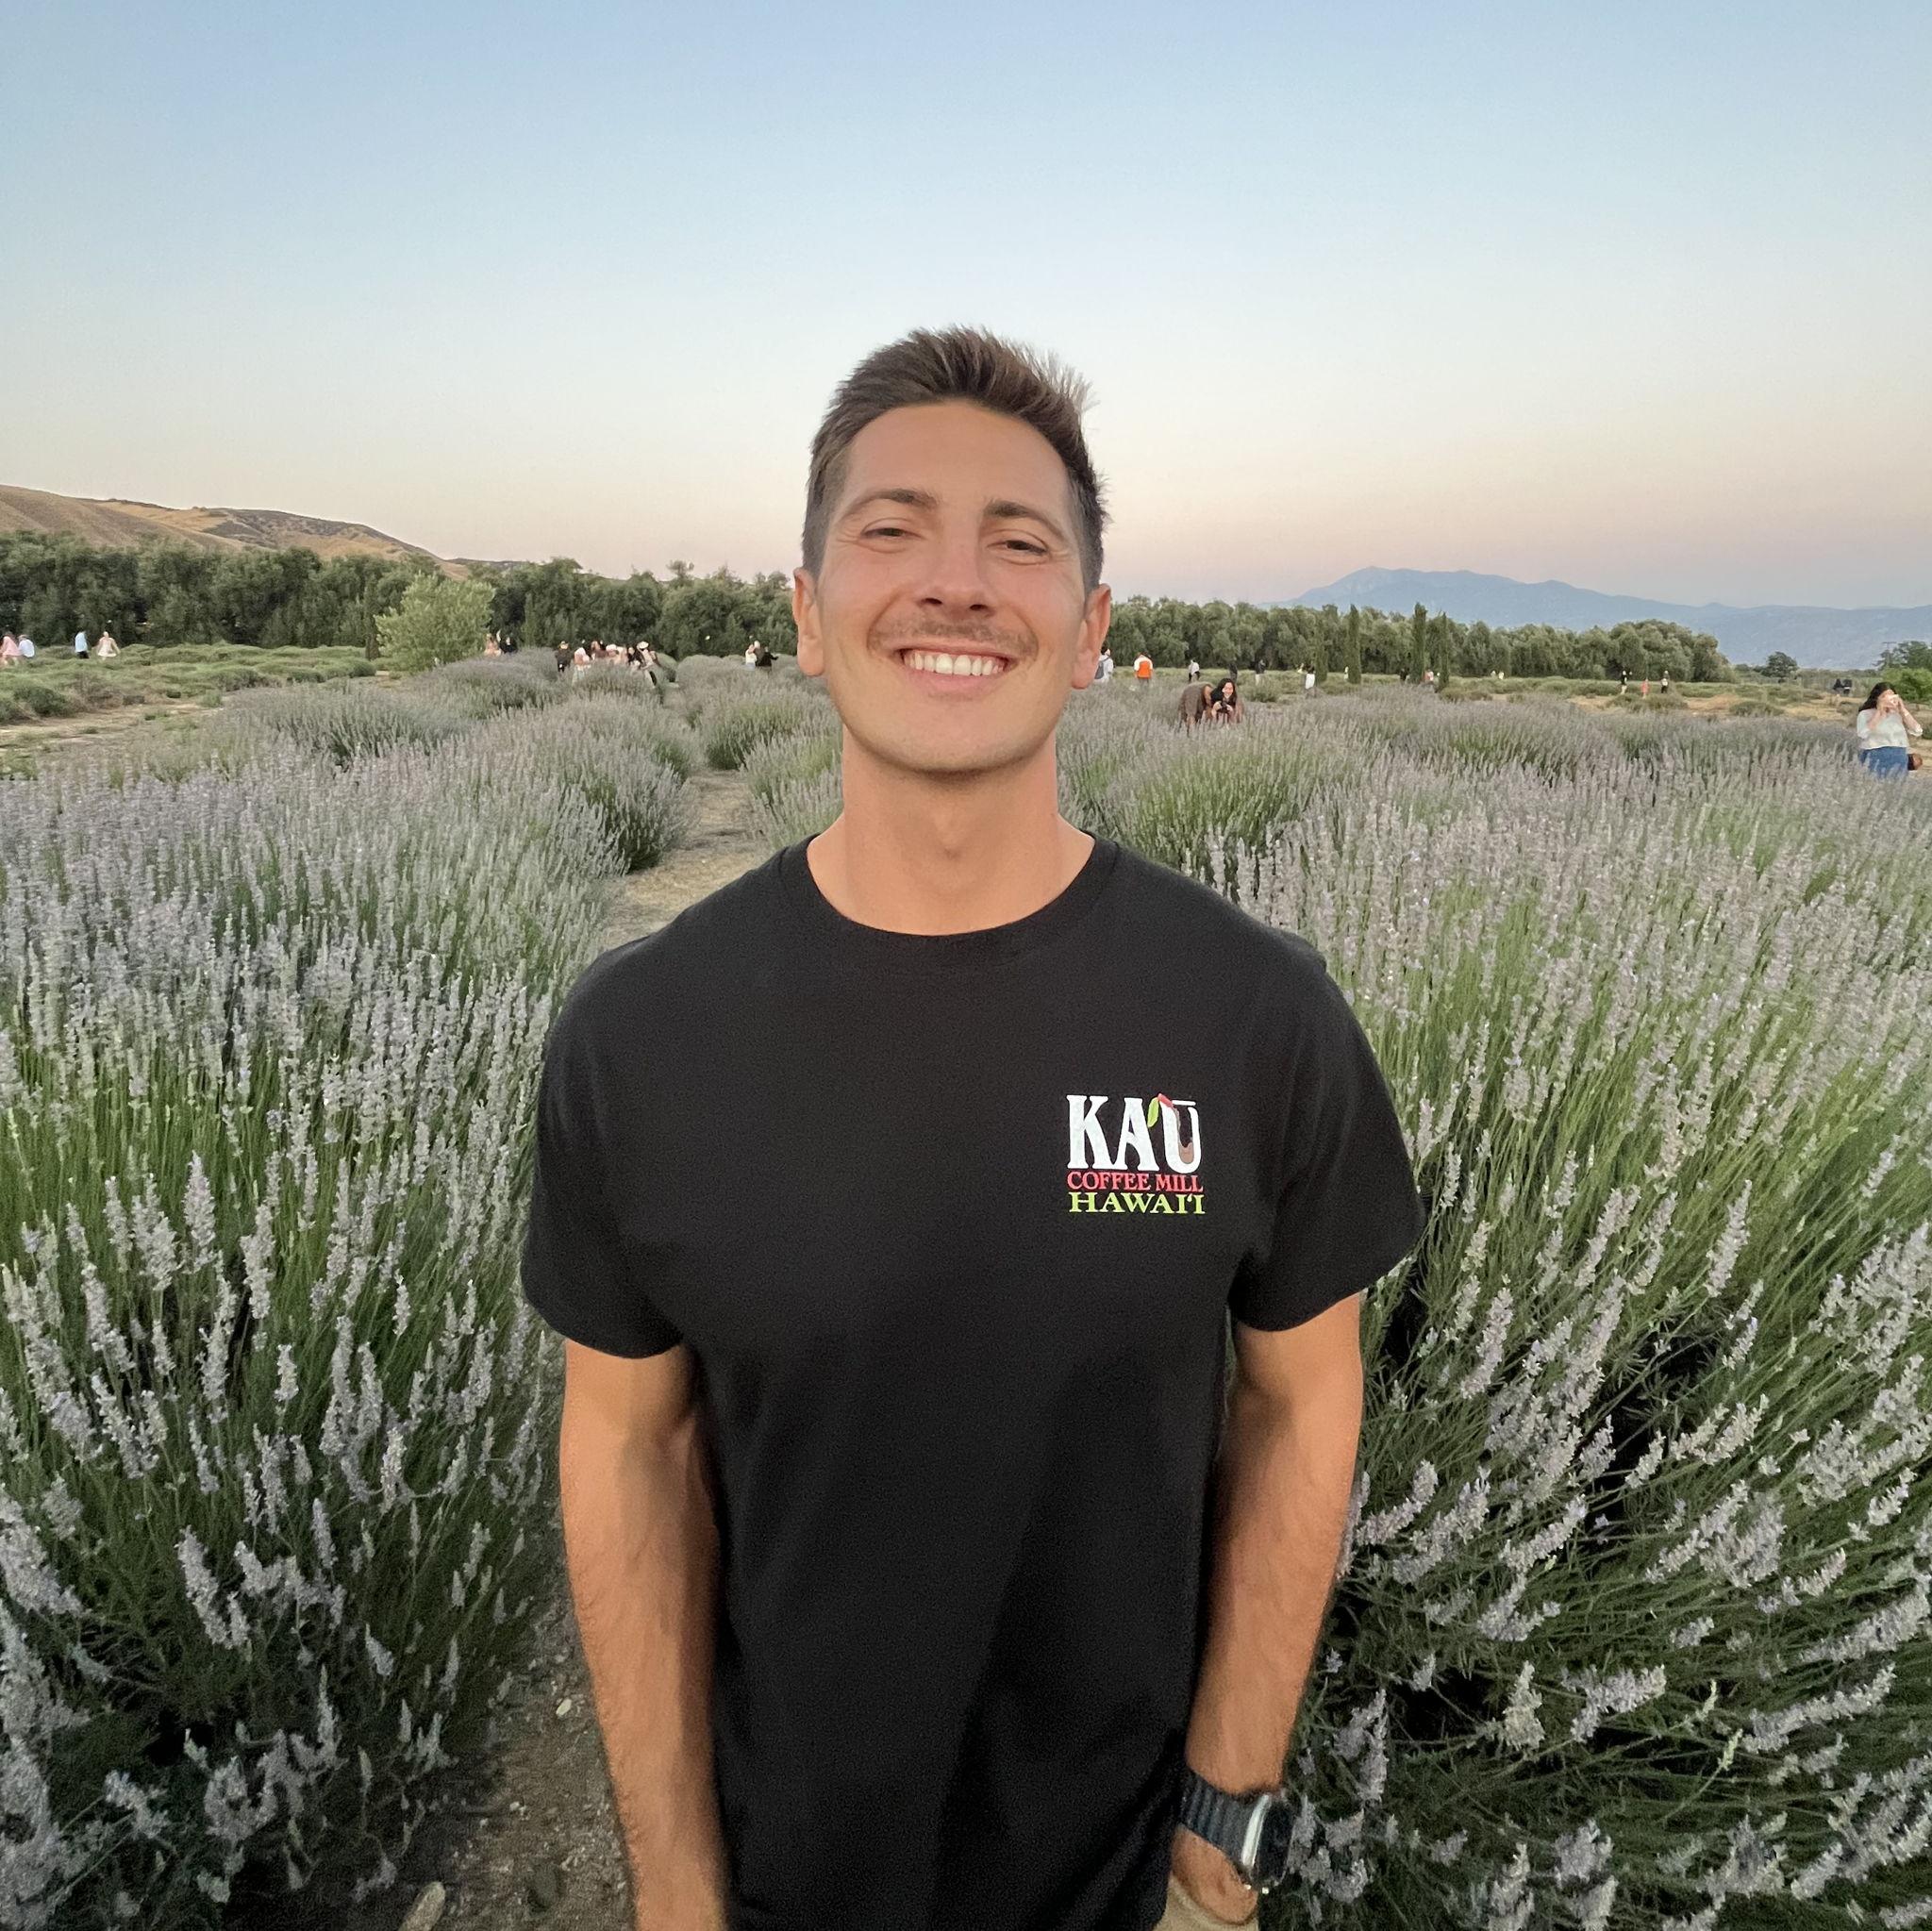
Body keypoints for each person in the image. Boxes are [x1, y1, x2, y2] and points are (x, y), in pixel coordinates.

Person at [521, 325, 1424, 1931]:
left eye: (1018, 542)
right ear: (807, 616)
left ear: (1089, 633)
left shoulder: (1252, 1017)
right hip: (782, 1879)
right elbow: (629, 1447)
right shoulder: (640, 1038)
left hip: (1128, 1884)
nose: (955, 583)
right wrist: (673, 1886)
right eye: (892, 531)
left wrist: (1219, 1834)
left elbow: (1300, 1398)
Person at [1855, 682, 1923, 777]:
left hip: (1899, 756)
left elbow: (1917, 730)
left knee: (1897, 784)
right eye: (1884, 696)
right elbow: (1862, 733)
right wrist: (1879, 713)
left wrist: (1903, 710)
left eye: (1892, 696)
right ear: (1877, 698)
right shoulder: (1865, 714)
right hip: (1875, 755)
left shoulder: (1897, 714)